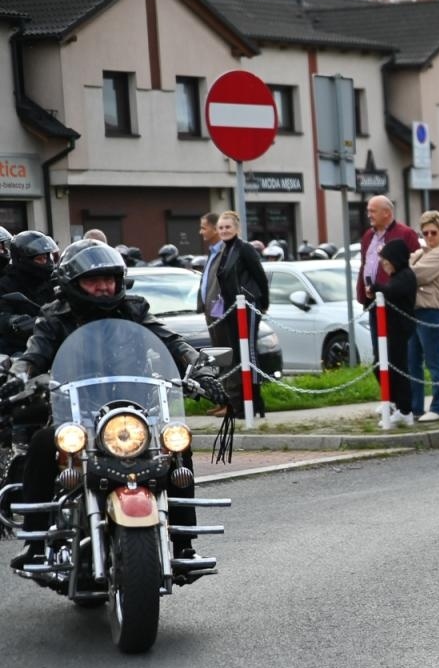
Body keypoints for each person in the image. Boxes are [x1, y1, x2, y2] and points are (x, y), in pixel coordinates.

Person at [3, 243, 225, 571]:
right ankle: (36, 542)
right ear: (72, 283)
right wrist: (19, 375)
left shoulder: (133, 309)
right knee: (42, 442)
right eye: (94, 281)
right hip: (77, 412)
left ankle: (183, 543)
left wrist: (198, 364)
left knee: (176, 441)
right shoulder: (54, 316)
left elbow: (170, 341)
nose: (104, 287)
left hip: (133, 408)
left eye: (109, 279)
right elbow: (34, 354)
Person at [203, 210, 270, 419]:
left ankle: (254, 403)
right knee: (236, 356)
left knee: (248, 353)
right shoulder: (224, 250)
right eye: (221, 228)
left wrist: (262, 303)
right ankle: (243, 403)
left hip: (247, 307)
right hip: (231, 309)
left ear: (237, 228)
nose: (224, 231)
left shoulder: (245, 249)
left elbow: (260, 277)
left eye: (227, 227)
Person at [356, 196, 421, 363]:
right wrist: (363, 291)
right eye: (368, 211)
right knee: (379, 356)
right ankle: (387, 389)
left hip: (394, 304)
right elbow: (364, 264)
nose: (369, 215)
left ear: (386, 213)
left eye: (373, 211)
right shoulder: (368, 236)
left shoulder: (405, 234)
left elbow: (416, 265)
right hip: (373, 302)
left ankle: (398, 388)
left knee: (395, 356)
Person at [407, 210, 439, 423]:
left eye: (433, 232)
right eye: (425, 233)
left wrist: (407, 268)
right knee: (412, 360)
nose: (430, 237)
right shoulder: (422, 252)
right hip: (416, 309)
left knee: (434, 360)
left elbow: (415, 275)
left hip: (432, 310)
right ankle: (415, 407)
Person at [376, 239, 418, 429]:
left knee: (399, 369)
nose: (384, 267)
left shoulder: (406, 276)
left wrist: (377, 288)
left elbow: (393, 291)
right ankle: (393, 402)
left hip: (400, 329)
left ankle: (405, 410)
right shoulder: (396, 276)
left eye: (386, 262)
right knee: (382, 365)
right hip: (391, 329)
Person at [0, 231, 61, 356]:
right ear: (22, 259)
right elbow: (2, 315)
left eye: (47, 257)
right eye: (40, 259)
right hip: (19, 348)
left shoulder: (54, 281)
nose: (47, 263)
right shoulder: (6, 284)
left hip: (54, 344)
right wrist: (13, 321)